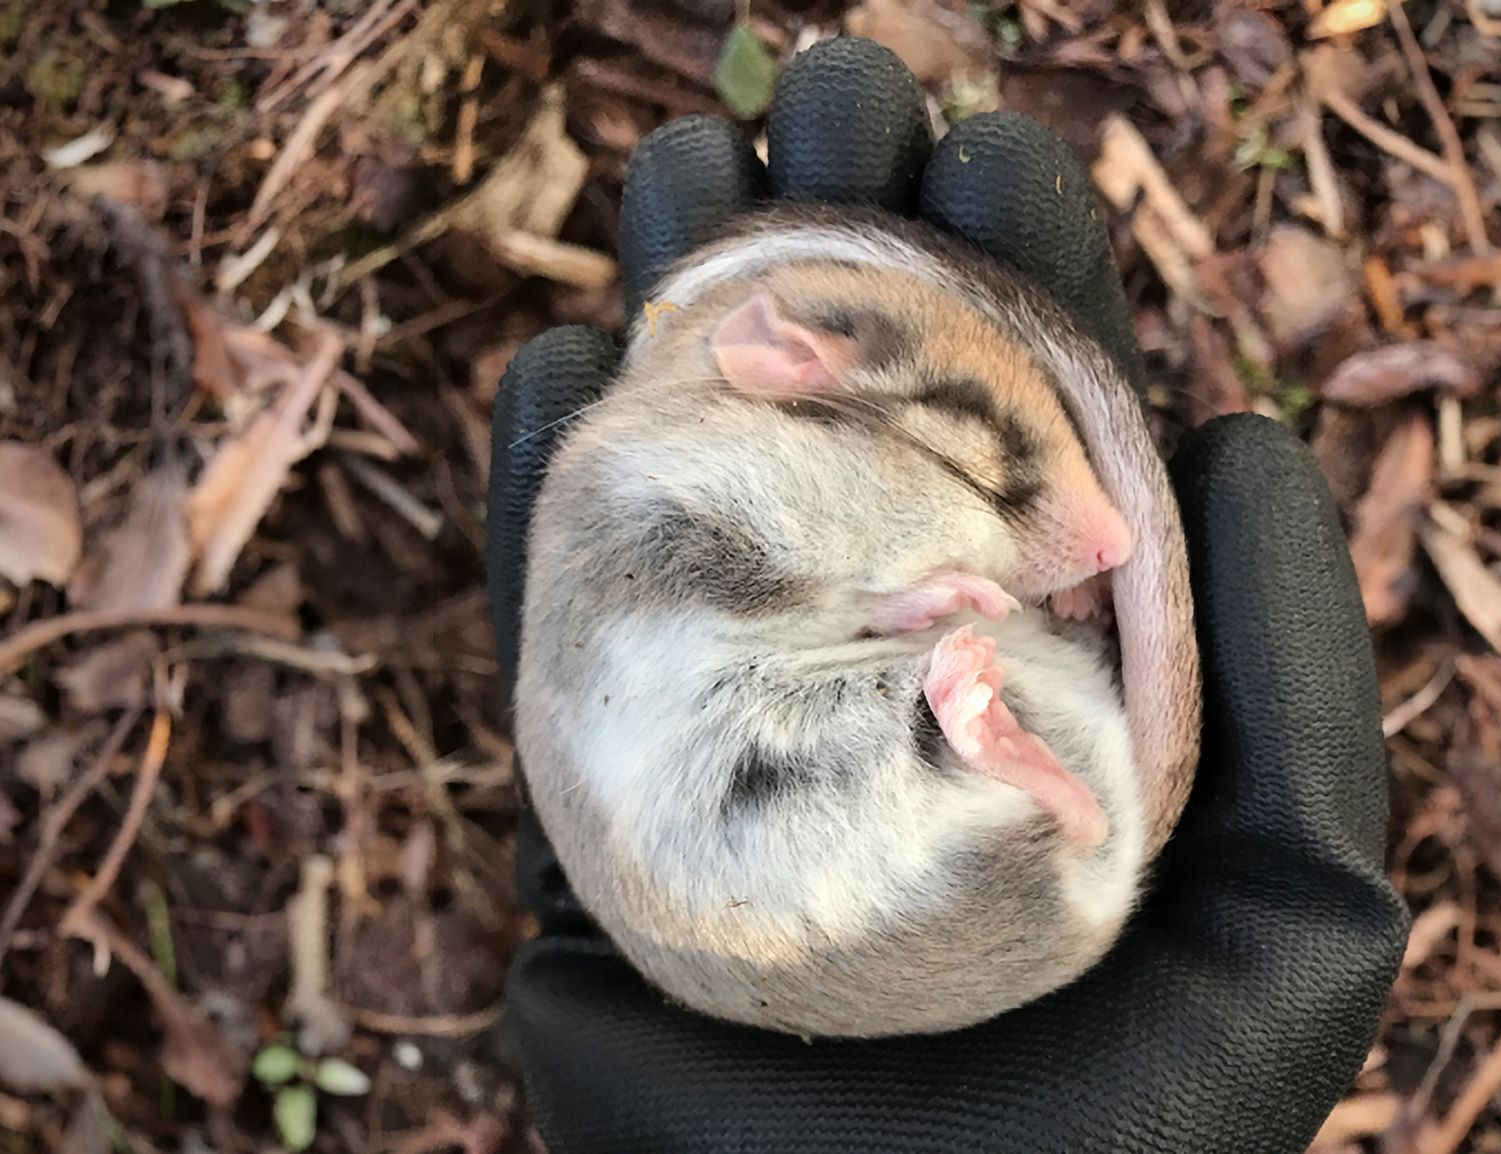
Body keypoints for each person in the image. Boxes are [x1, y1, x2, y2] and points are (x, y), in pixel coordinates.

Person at [484, 36, 1409, 1154]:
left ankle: (1041, 781)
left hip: (867, 834)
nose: (1103, 541)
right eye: (1002, 467)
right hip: (871, 850)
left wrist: (927, 583)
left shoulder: (695, 472)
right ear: (786, 359)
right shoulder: (709, 470)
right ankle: (1043, 788)